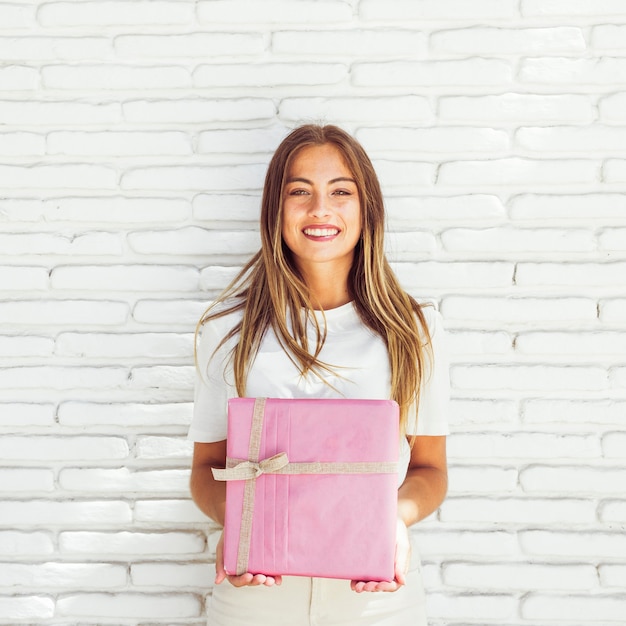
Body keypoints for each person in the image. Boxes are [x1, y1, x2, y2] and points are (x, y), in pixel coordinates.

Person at [188, 124, 449, 626]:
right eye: (299, 191)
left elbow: (430, 470)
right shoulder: (226, 332)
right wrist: (238, 524)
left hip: (377, 598)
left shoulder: (413, 329)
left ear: (365, 207)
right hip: (255, 597)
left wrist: (392, 522)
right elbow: (205, 471)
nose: (320, 209)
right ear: (276, 209)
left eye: (341, 192)